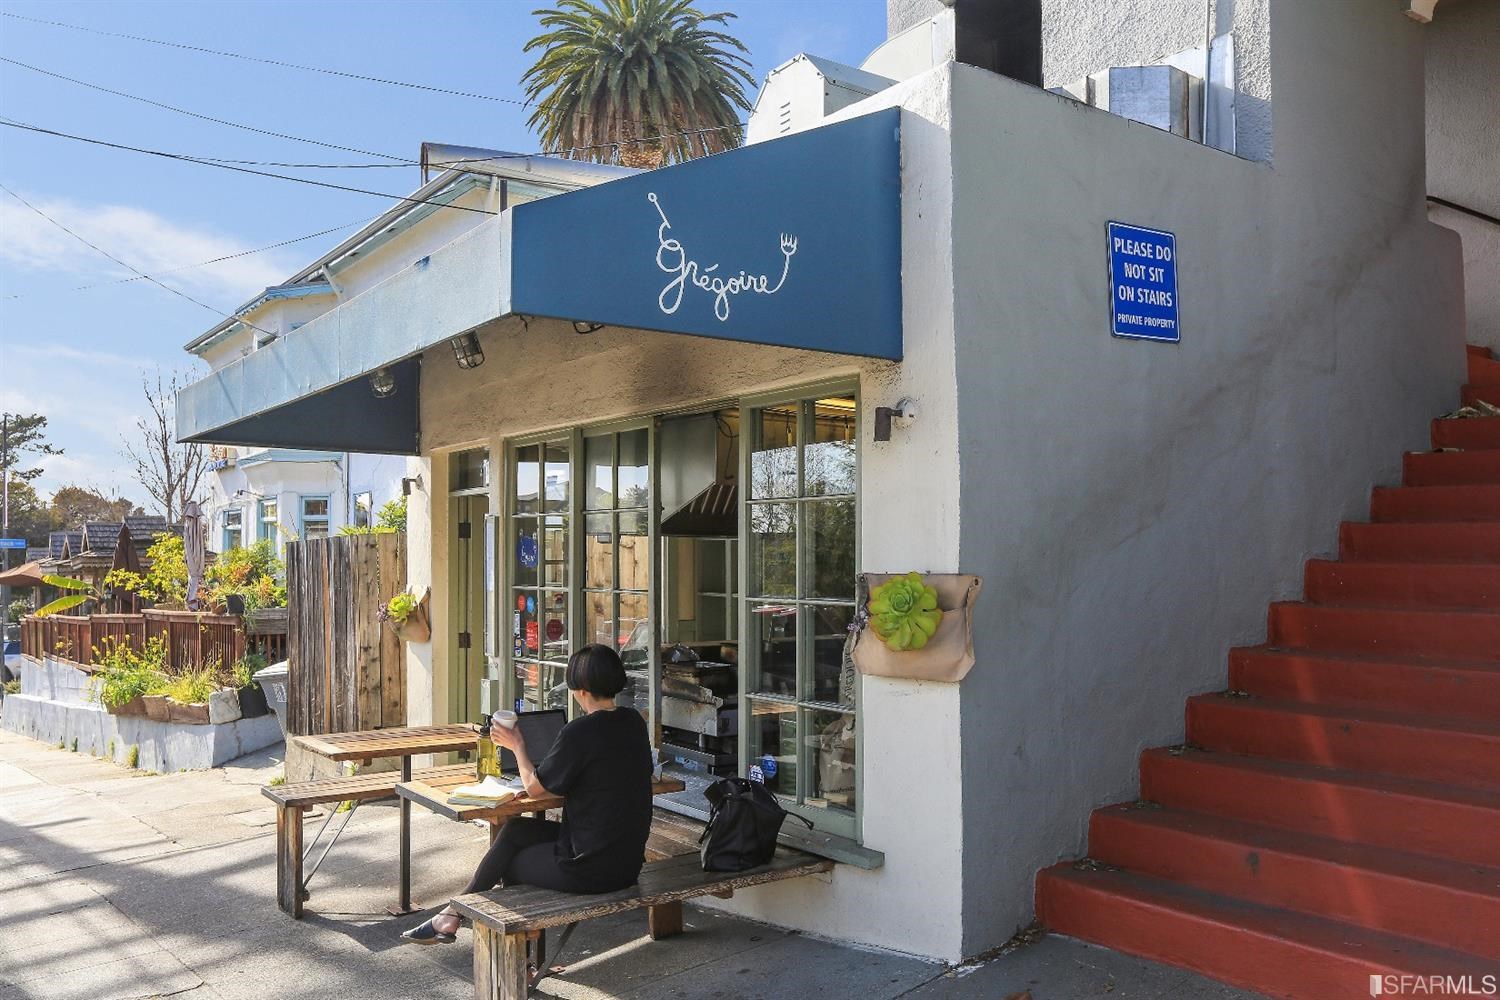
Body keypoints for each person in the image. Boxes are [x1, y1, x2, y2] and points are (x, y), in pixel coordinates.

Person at [402, 644, 653, 944]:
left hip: (590, 869)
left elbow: (534, 787)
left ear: (581, 689)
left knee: (510, 861)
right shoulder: (633, 721)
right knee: (517, 830)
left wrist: (517, 745)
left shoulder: (579, 732)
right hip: (627, 862)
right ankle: (451, 915)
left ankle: (525, 959)